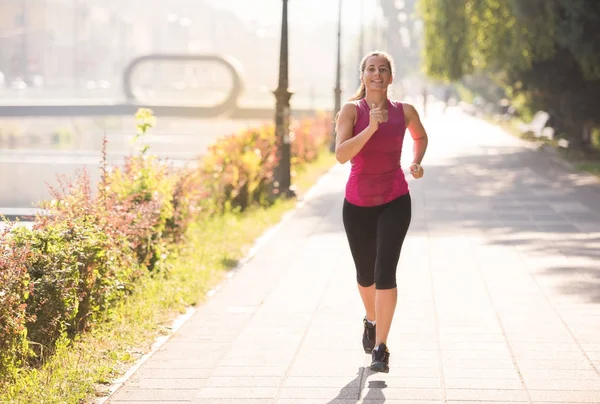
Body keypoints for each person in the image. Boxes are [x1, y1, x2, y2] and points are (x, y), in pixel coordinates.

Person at [334, 51, 428, 373]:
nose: (377, 74)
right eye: (371, 69)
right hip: (358, 204)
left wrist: (416, 162)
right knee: (365, 274)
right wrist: (371, 127)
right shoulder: (350, 111)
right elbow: (341, 155)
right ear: (363, 76)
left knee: (385, 270)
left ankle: (381, 347)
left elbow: (421, 136)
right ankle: (371, 319)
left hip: (395, 200)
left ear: (390, 77)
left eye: (383, 69)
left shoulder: (406, 111)